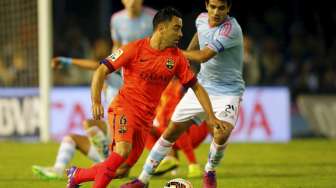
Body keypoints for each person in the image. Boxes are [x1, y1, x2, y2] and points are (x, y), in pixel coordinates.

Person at [66, 7, 226, 188]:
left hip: (146, 120)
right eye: (176, 28)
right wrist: (95, 101)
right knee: (122, 151)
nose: (181, 33)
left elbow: (196, 87)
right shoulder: (134, 49)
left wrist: (211, 116)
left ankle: (77, 175)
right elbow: (101, 69)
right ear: (161, 28)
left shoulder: (177, 58)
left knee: (120, 170)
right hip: (124, 107)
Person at [122, 0, 244, 187]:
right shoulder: (201, 19)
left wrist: (176, 54)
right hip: (202, 86)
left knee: (221, 134)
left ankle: (209, 170)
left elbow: (204, 56)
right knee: (171, 132)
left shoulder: (230, 30)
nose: (216, 12)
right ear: (206, 5)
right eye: (212, 7)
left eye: (221, 8)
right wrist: (189, 52)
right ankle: (142, 180)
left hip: (228, 91)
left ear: (228, 8)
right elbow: (199, 34)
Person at [32, 0, 156, 179]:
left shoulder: (130, 78)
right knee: (74, 136)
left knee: (94, 130)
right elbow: (97, 66)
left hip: (124, 140)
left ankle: (105, 163)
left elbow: (96, 66)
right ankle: (61, 169)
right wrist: (67, 61)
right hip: (117, 137)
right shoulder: (116, 70)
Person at [146, 79, 210, 178]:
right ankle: (166, 159)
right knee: (146, 130)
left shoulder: (182, 85)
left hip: (193, 128)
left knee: (176, 127)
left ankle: (194, 165)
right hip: (170, 130)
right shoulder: (157, 91)